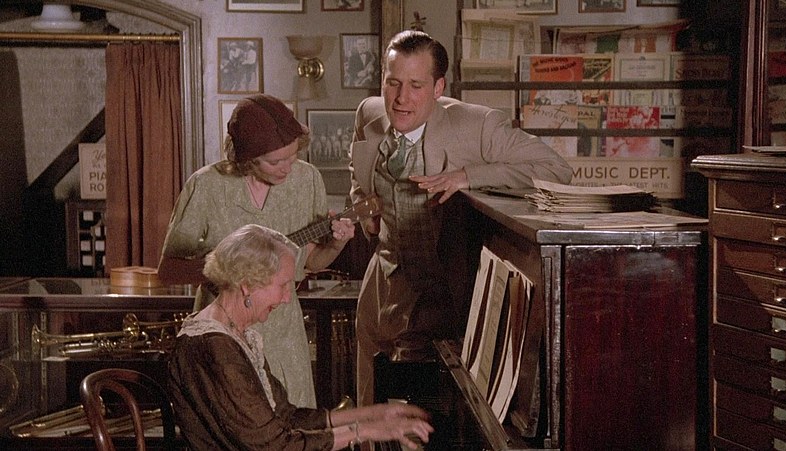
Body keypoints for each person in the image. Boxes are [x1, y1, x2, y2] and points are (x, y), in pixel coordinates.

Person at [348, 30, 573, 406]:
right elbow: (358, 167)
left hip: (446, 300)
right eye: (393, 82)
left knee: (426, 416)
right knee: (370, 408)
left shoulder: (477, 126)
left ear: (438, 87)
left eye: (416, 86)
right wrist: (364, 207)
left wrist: (468, 176)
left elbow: (557, 169)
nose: (401, 98)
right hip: (381, 292)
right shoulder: (369, 114)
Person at [158, 94, 355, 408]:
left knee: (294, 423)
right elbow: (169, 270)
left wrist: (336, 243)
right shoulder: (207, 185)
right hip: (224, 335)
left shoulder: (306, 180)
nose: (287, 168)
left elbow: (311, 262)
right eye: (275, 162)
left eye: (292, 156)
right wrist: (230, 266)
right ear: (246, 159)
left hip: (285, 334)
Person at [168, 224, 433, 450]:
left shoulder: (233, 334)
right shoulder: (213, 347)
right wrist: (364, 431)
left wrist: (373, 414)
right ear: (247, 285)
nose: (287, 298)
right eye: (283, 285)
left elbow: (285, 417)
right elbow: (275, 445)